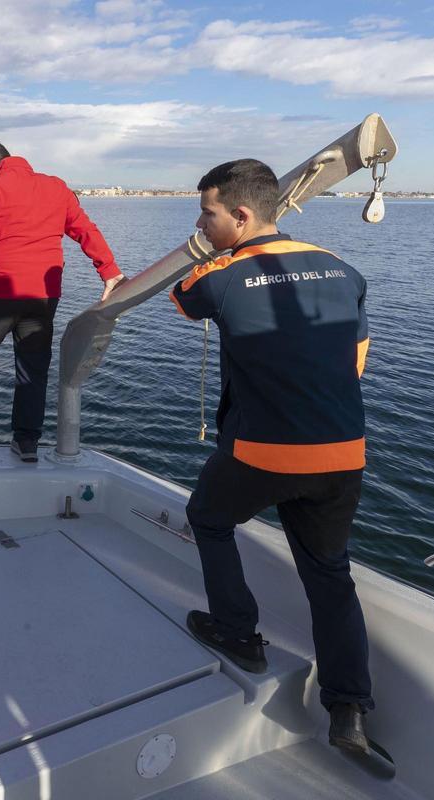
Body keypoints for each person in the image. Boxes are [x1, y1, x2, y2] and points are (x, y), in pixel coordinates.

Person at [170, 159, 374, 754]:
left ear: (240, 214)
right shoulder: (343, 269)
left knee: (208, 518)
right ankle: (349, 711)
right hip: (342, 454)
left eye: (208, 213)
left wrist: (210, 254)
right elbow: (356, 359)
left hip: (263, 451)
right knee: (330, 575)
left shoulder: (225, 273)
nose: (200, 224)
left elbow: (184, 295)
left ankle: (237, 632)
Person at [0, 142, 125, 462]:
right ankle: (26, 442)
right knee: (32, 369)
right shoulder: (56, 188)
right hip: (42, 298)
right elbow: (85, 230)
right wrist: (109, 272)